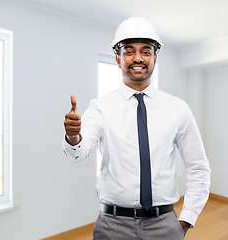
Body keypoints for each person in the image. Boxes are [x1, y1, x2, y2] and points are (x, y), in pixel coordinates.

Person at [63, 17, 211, 240]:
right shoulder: (100, 107)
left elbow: (198, 167)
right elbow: (79, 152)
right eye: (129, 51)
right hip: (112, 226)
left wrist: (186, 219)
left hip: (164, 224)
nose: (138, 58)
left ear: (154, 57)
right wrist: (73, 136)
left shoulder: (177, 108)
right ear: (118, 58)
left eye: (146, 51)